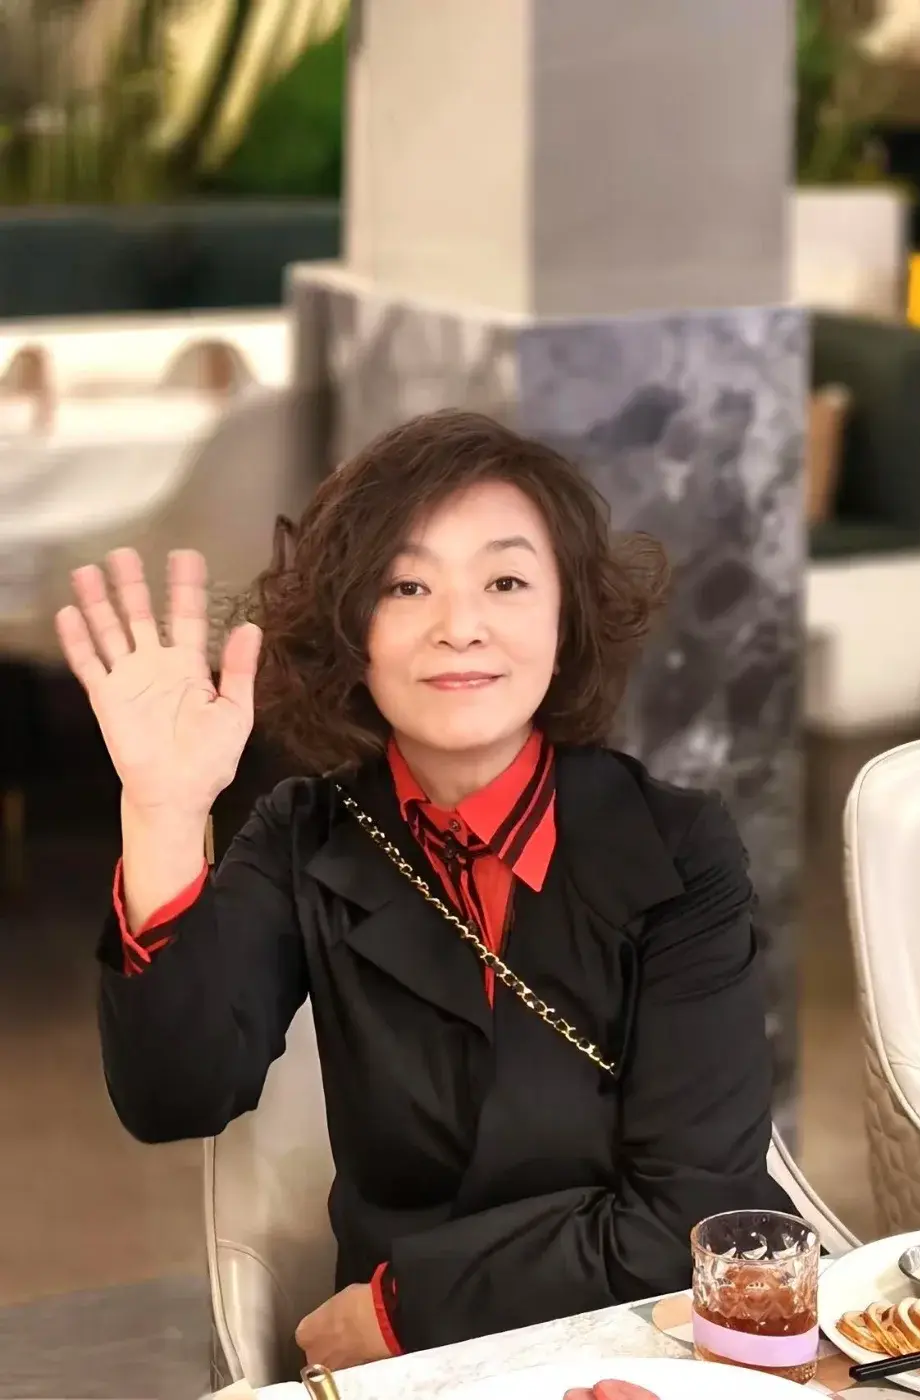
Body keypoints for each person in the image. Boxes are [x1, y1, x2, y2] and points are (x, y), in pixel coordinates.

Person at [56, 409, 795, 1371]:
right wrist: (162, 813)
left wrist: (405, 1309)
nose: (459, 627)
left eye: (506, 582)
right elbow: (173, 1097)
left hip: (632, 1351)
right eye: (407, 586)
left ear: (567, 619)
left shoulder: (680, 847)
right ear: (352, 629)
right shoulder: (306, 832)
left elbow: (693, 1217)